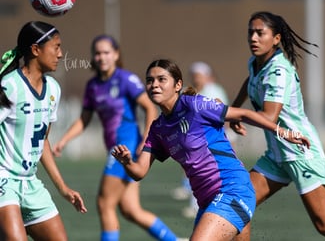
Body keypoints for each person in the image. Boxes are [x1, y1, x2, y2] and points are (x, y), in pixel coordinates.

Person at [111, 58, 309, 241]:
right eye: (150, 80)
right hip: (208, 203)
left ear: (177, 85)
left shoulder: (195, 106)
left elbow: (244, 114)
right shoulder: (158, 128)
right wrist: (127, 161)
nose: (154, 84)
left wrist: (284, 133)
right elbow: (139, 172)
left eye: (161, 79)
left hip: (233, 190)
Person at [230, 11, 325, 241]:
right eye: (250, 33)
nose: (253, 38)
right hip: (276, 155)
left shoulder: (279, 71)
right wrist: (235, 108)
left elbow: (269, 118)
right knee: (237, 206)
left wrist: (229, 113)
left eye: (260, 33)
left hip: (299, 152)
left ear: (276, 39)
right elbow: (251, 80)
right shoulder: (255, 63)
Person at [52, 35, 182, 241]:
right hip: (115, 149)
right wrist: (63, 140)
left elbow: (149, 107)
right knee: (131, 210)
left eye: (106, 52)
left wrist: (146, 141)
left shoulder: (125, 79)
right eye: (98, 53)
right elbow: (84, 119)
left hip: (126, 147)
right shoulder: (93, 86)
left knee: (104, 203)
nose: (102, 57)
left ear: (116, 54)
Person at [0, 21, 87, 241]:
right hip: (3, 182)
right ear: (36, 49)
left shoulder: (53, 90)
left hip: (30, 183)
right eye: (56, 47)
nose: (60, 54)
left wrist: (63, 188)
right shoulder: (10, 86)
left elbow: (43, 143)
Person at [171, 61, 231, 219]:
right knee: (197, 172)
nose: (196, 79)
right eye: (193, 76)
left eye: (198, 75)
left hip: (213, 138)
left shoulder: (214, 91)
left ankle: (217, 203)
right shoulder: (188, 92)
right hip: (196, 141)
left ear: (206, 76)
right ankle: (197, 204)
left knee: (215, 172)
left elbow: (225, 113)